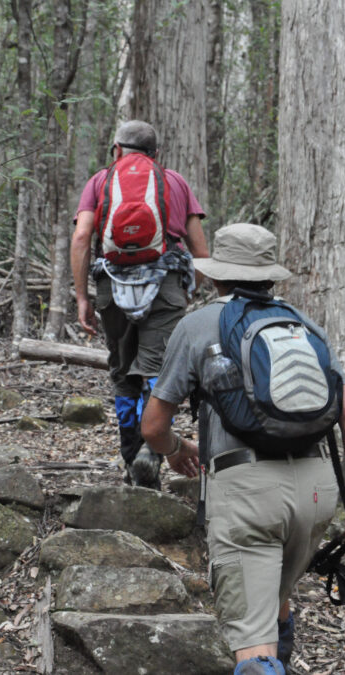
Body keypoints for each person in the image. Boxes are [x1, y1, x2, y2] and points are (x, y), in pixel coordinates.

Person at [141, 223, 345, 675]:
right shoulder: (303, 324)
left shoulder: (197, 325)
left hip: (247, 491)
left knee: (253, 643)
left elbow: (152, 426)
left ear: (216, 275)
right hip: (316, 490)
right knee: (276, 597)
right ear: (270, 275)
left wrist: (176, 448)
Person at [71, 120, 209, 489]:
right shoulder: (175, 182)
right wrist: (187, 289)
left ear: (117, 149)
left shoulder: (100, 181)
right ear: (156, 154)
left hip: (111, 286)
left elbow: (83, 235)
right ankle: (153, 453)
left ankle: (131, 455)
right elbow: (201, 251)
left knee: (121, 372)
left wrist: (83, 296)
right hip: (165, 286)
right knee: (157, 373)